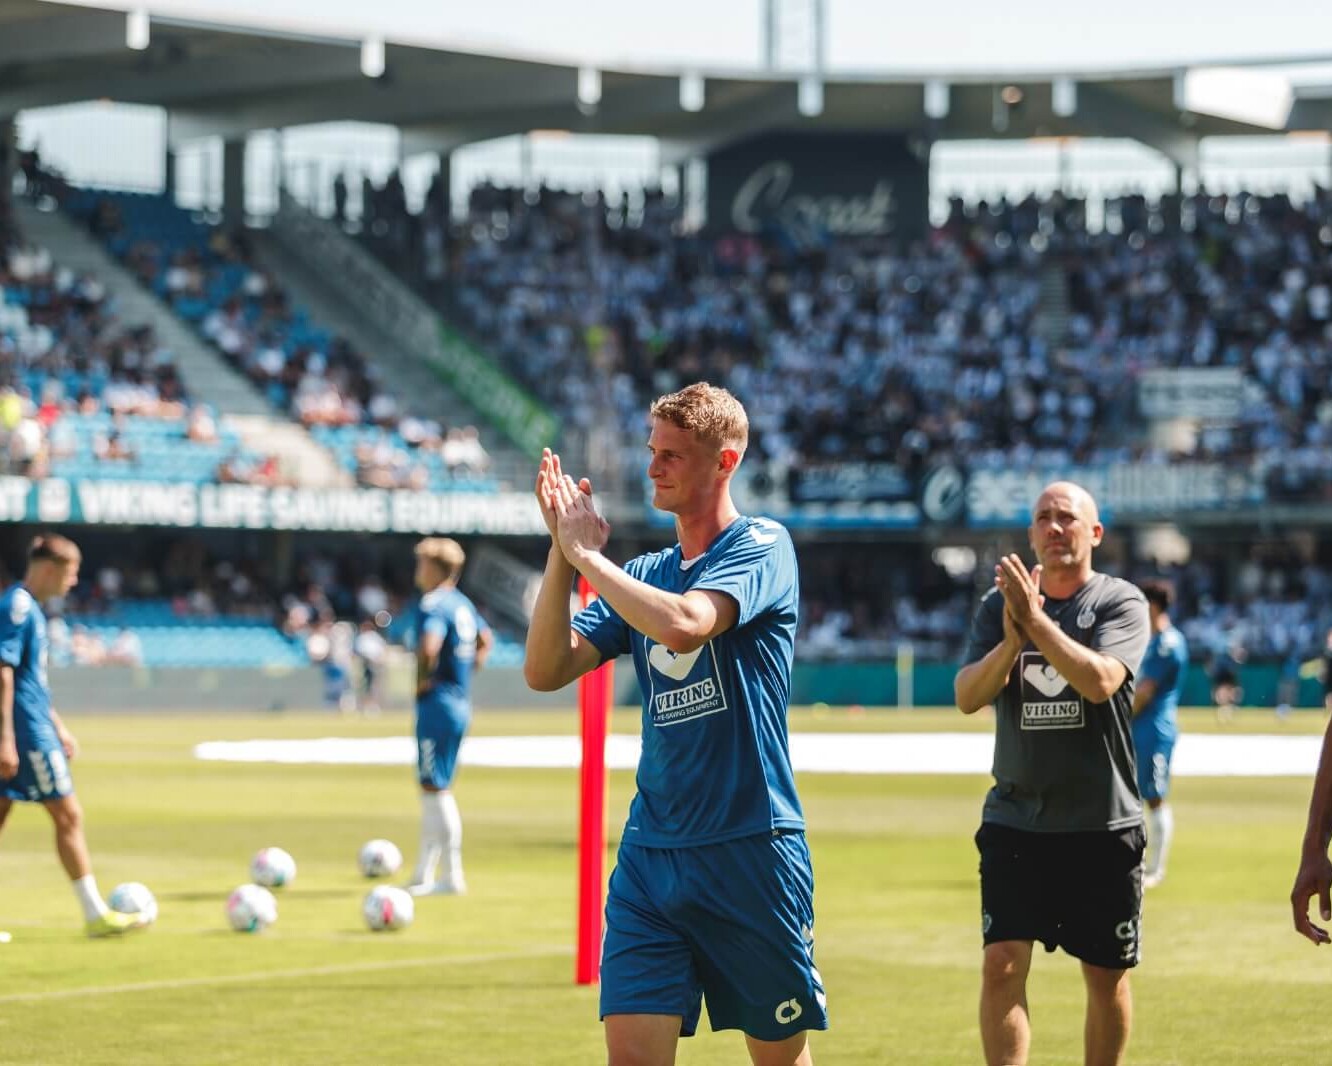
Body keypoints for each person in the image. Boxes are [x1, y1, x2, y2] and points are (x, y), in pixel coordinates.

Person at [524, 383, 827, 1066]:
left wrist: (590, 560)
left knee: (778, 1057)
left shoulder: (763, 545)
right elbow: (546, 669)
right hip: (651, 855)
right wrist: (560, 551)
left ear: (724, 462)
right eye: (651, 451)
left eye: (672, 455)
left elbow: (687, 625)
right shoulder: (645, 571)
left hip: (751, 845)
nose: (652, 467)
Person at [954, 482, 1150, 1066]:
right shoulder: (998, 610)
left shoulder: (1121, 602)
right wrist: (1011, 640)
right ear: (1032, 534)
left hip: (1100, 821)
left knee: (1105, 976)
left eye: (1068, 517)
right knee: (1001, 965)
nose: (1054, 527)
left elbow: (1100, 682)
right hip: (1017, 818)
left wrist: (1034, 625)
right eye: (1043, 518)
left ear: (1095, 534)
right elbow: (967, 694)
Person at [0, 534, 149, 936]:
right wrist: (7, 739)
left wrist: (59, 725)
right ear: (49, 568)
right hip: (25, 734)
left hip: (33, 725)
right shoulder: (17, 607)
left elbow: (30, 680)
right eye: (71, 572)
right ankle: (95, 914)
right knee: (68, 815)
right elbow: (3, 673)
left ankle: (94, 913)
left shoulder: (28, 608)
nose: (74, 581)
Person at [406, 537, 492, 897]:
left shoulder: (433, 604)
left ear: (434, 568)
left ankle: (450, 875)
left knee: (434, 787)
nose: (418, 570)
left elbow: (429, 646)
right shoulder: (463, 604)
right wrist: (468, 671)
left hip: (437, 703)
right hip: (459, 701)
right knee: (437, 785)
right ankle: (424, 872)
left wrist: (423, 680)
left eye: (422, 563)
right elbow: (485, 640)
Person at [1130, 580, 1188, 889]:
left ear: (1152, 605)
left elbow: (1144, 693)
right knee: (1135, 796)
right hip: (1140, 726)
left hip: (1154, 729)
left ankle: (1155, 869)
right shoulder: (1149, 640)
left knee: (1154, 795)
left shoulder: (1167, 643)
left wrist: (1117, 717)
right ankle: (1138, 864)